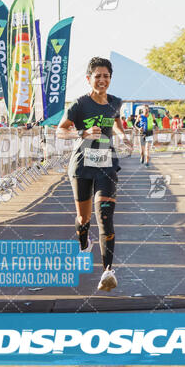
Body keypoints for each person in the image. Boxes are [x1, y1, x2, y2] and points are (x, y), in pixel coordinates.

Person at [56, 57, 132, 292]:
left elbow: (117, 123)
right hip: (81, 166)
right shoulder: (79, 104)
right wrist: (83, 132)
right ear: (89, 79)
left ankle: (108, 271)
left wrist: (122, 135)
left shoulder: (115, 102)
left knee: (105, 216)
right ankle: (83, 242)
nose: (102, 80)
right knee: (84, 219)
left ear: (110, 79)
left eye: (106, 76)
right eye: (97, 76)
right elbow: (60, 131)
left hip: (106, 164)